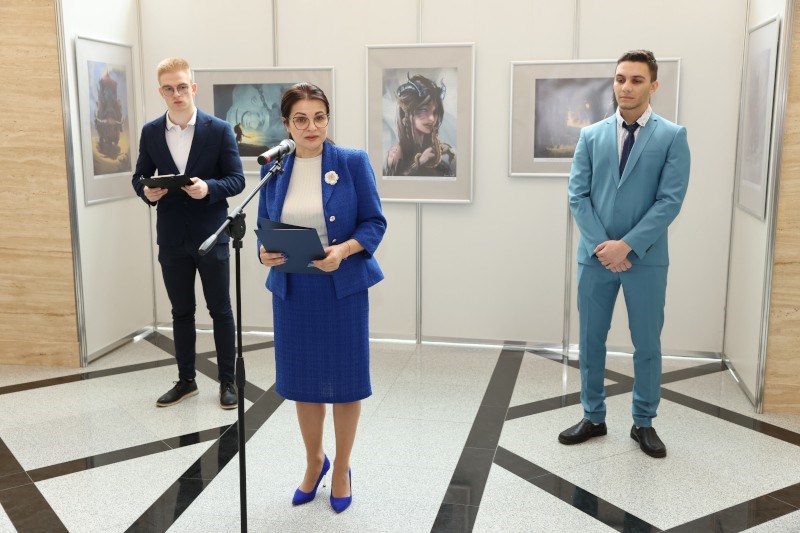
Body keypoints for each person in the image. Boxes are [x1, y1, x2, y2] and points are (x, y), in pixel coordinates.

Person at [257, 83, 386, 513]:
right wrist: (263, 252)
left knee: (347, 384)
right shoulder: (275, 168)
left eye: (319, 117)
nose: (311, 127)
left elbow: (374, 223)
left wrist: (343, 251)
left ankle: (343, 467)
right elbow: (263, 225)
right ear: (286, 124)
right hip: (293, 290)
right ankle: (315, 461)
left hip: (341, 288)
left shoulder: (351, 161)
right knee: (304, 384)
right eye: (301, 119)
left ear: (328, 119)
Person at [558, 50, 690, 458]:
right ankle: (593, 416)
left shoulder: (672, 136)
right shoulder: (590, 135)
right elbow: (577, 196)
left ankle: (643, 422)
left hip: (645, 260)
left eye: (636, 80)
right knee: (590, 341)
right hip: (595, 257)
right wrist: (605, 247)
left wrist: (627, 246)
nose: (626, 87)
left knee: (647, 344)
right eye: (620, 79)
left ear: (653, 85)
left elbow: (669, 201)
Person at [131, 57, 245, 410]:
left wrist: (209, 188)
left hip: (211, 234)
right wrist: (146, 192)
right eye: (169, 88)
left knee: (220, 311)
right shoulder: (151, 131)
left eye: (182, 86)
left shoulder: (219, 129)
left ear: (193, 87)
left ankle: (227, 381)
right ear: (161, 92)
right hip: (171, 237)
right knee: (181, 312)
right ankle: (186, 381)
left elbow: (237, 180)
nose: (177, 94)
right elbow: (138, 177)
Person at [384, 74, 455, 177]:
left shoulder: (433, 146)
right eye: (424, 110)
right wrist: (420, 162)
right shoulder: (397, 152)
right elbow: (392, 182)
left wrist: (449, 152)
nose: (432, 119)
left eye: (435, 112)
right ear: (407, 114)